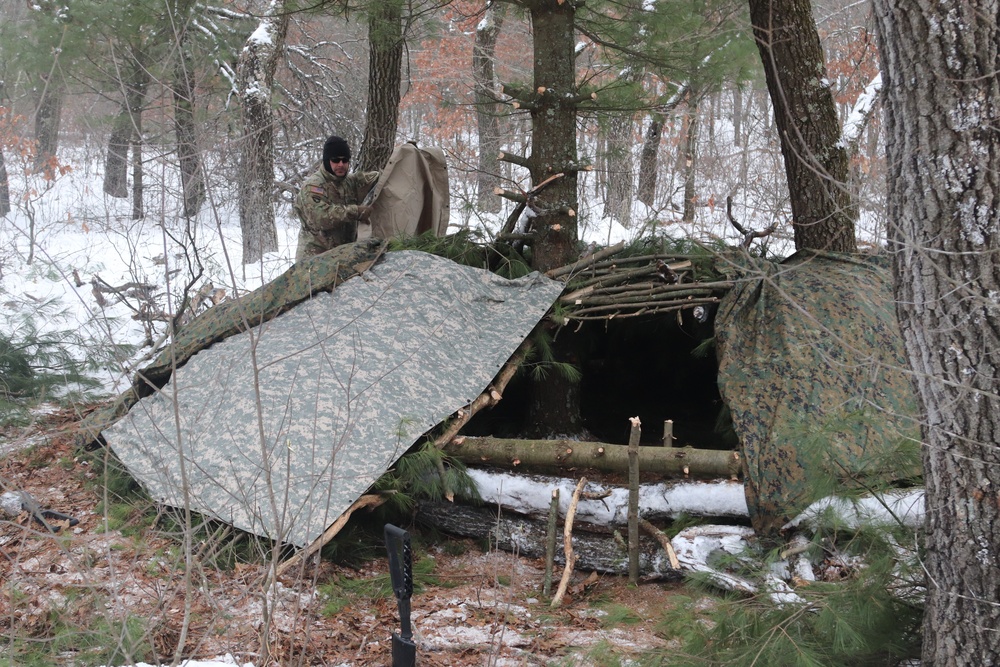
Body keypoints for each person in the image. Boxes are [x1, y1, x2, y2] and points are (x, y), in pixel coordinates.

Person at [293, 135, 380, 260]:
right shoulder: (314, 186)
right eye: (335, 160)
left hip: (341, 257)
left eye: (345, 160)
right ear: (327, 160)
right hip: (315, 259)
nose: (341, 164)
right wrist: (355, 211)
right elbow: (320, 217)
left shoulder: (349, 182)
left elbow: (376, 178)